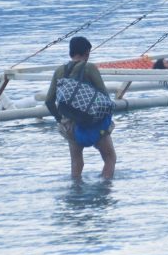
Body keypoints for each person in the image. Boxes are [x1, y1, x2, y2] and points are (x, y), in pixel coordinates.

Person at [45, 36, 117, 180]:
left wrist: (61, 120)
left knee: (77, 163)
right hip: (93, 122)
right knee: (110, 158)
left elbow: (49, 101)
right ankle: (104, 191)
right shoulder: (89, 67)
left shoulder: (60, 71)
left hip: (71, 125)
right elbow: (104, 95)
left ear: (70, 52)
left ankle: (76, 195)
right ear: (87, 52)